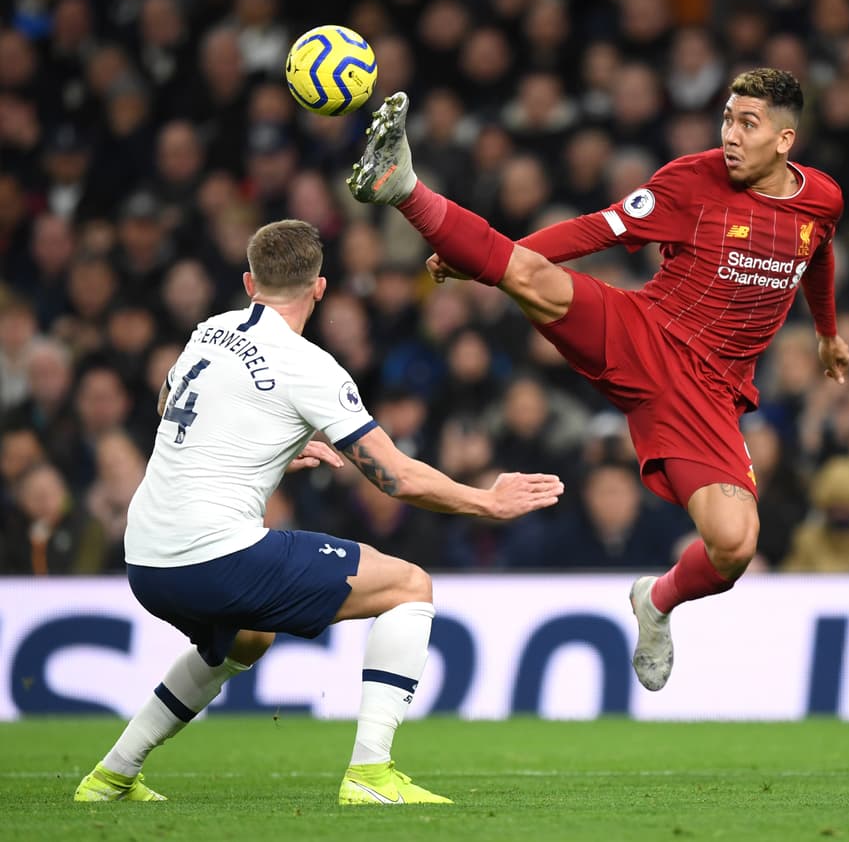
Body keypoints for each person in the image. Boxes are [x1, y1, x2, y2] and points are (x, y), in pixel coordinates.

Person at [347, 69, 849, 692]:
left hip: (709, 394)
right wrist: (490, 262)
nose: (731, 135)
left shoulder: (822, 199)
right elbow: (598, 228)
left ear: (785, 139)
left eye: (748, 124)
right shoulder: (691, 181)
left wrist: (826, 332)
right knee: (530, 276)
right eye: (727, 118)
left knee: (734, 545)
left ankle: (655, 601)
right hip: (645, 334)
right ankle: (403, 186)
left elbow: (818, 252)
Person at [73, 220, 563, 806]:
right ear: (320, 288)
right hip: (213, 557)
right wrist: (487, 500)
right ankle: (371, 774)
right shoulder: (309, 366)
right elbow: (396, 477)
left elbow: (169, 406)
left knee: (249, 638)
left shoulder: (210, 331)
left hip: (145, 560)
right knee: (409, 586)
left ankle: (112, 776)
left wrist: (271, 443)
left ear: (250, 283)